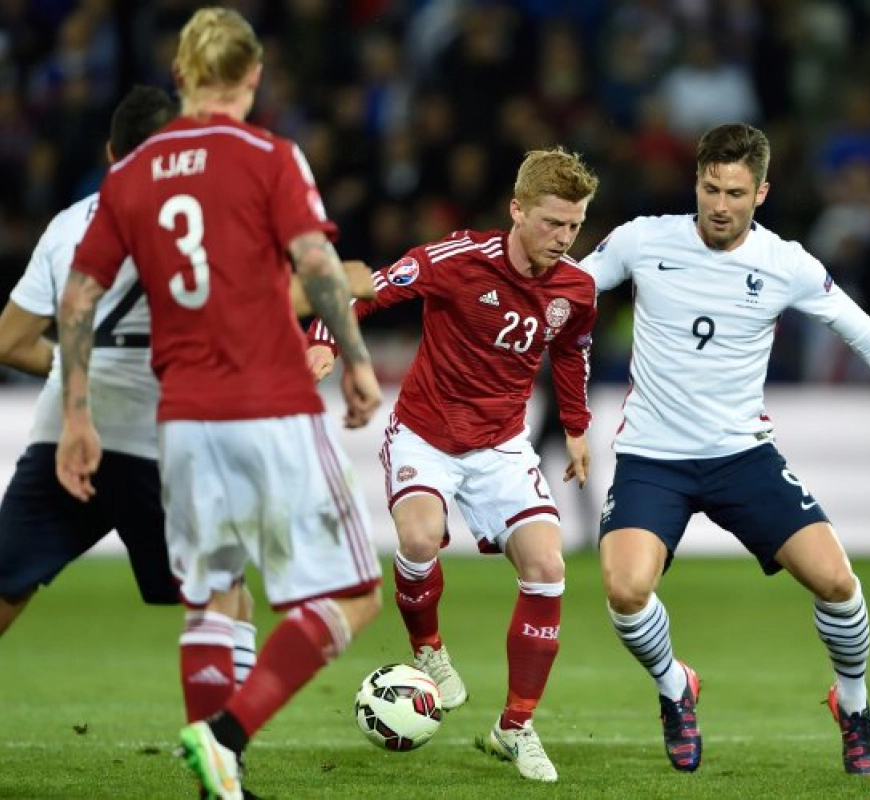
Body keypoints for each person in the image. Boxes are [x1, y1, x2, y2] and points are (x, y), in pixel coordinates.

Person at [578, 122, 870, 777]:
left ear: (761, 192)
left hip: (744, 458)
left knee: (836, 582)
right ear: (697, 181)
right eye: (711, 187)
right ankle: (674, 688)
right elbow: (565, 294)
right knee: (625, 590)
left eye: (735, 192)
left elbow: (867, 334)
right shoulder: (641, 240)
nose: (720, 204)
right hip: (653, 457)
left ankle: (851, 706)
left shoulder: (786, 263)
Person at [54, 9, 383, 800]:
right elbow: (317, 260)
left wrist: (75, 413)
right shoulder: (271, 156)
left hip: (185, 418)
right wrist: (358, 361)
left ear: (181, 75)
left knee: (208, 596)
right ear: (254, 77)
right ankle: (224, 735)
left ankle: (217, 789)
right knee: (356, 595)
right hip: (269, 401)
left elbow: (79, 295)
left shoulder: (129, 174)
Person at [0, 86, 377, 648]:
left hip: (67, 434)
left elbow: (9, 341)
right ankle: (225, 731)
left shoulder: (68, 225)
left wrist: (87, 364)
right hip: (163, 439)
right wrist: (347, 279)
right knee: (223, 596)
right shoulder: (201, 220)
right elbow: (260, 296)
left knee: (8, 584)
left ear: (111, 153)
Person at [306, 147, 599, 783]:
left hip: (500, 444)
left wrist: (576, 426)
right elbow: (366, 291)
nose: (563, 238)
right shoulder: (457, 259)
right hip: (425, 435)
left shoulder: (575, 288)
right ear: (516, 211)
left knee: (549, 567)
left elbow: (572, 350)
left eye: (574, 226)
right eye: (552, 223)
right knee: (416, 536)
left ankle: (514, 729)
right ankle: (429, 650)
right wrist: (325, 344)